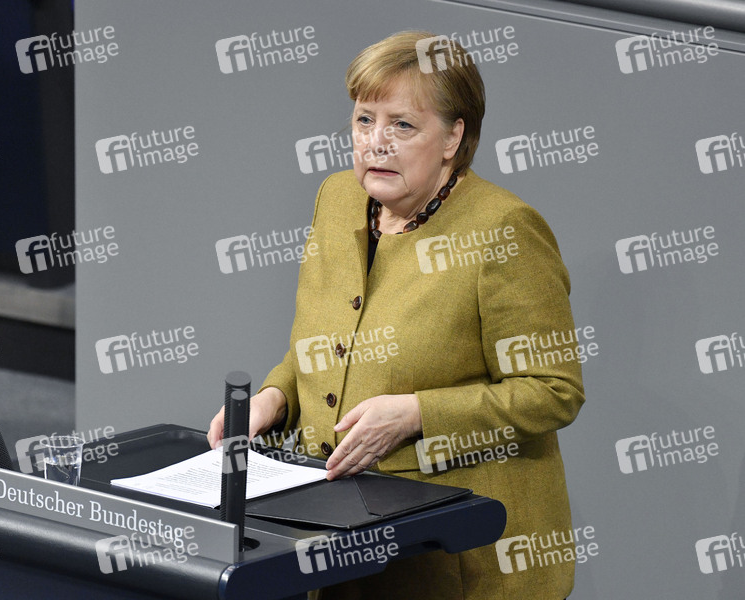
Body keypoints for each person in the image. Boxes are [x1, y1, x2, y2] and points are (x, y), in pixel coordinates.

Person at [208, 30, 584, 600]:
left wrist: (417, 414)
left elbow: (554, 391)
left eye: (402, 125)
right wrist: (276, 397)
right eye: (364, 120)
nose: (375, 143)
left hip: (458, 560)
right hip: (338, 537)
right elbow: (327, 341)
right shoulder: (337, 199)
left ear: (453, 136)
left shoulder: (503, 230)